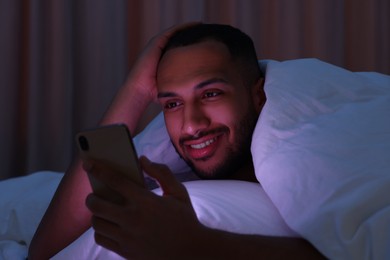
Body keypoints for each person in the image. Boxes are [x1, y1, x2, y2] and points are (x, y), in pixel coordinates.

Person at [28, 23, 324, 259]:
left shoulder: (309, 163)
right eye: (172, 104)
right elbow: (44, 252)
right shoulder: (171, 169)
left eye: (210, 94)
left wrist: (197, 244)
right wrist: (137, 90)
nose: (192, 125)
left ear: (258, 96)